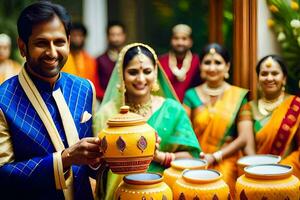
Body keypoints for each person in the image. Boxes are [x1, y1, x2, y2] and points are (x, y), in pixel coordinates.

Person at [0, 2, 102, 199]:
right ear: (23, 47)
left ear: (69, 42)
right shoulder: (4, 100)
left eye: (59, 42)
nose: (53, 52)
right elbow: (3, 175)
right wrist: (63, 159)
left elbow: (91, 162)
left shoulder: (84, 88)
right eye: (41, 43)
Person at [93, 43, 201, 200]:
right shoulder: (107, 114)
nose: (141, 78)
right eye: (133, 72)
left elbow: (192, 157)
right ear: (121, 74)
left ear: (156, 72)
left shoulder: (172, 110)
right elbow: (96, 163)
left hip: (163, 191)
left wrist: (160, 156)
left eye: (147, 71)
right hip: (119, 192)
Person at [183, 43, 255, 194]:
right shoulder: (190, 95)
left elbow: (243, 138)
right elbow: (185, 132)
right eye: (207, 62)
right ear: (201, 67)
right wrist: (201, 157)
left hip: (227, 158)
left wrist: (215, 157)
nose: (212, 68)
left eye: (218, 62)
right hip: (197, 159)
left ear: (227, 66)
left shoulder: (238, 95)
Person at [249, 55, 300, 177]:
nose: (269, 78)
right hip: (254, 172)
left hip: (286, 172)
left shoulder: (296, 106)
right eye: (264, 74)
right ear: (258, 78)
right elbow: (245, 145)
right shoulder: (248, 107)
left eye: (275, 73)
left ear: (284, 79)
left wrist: (282, 167)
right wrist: (255, 168)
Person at [159, 24, 201, 102]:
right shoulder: (161, 62)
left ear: (190, 42)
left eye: (184, 39)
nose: (180, 42)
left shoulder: (198, 62)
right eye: (176, 38)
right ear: (171, 41)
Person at [63, 22, 103, 99]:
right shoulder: (61, 58)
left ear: (84, 38)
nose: (77, 39)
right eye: (74, 35)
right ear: (68, 38)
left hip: (86, 99)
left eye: (80, 35)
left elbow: (95, 85)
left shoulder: (91, 60)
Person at [96, 21, 126, 98]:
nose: (116, 38)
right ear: (107, 37)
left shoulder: (130, 57)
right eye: (113, 35)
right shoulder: (100, 60)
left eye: (119, 35)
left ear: (124, 36)